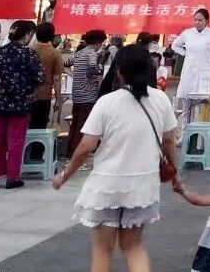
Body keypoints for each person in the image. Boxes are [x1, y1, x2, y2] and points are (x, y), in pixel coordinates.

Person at [54, 44, 179, 272]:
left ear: (119, 71)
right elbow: (169, 140)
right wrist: (175, 173)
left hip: (107, 184)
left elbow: (86, 147)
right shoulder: (160, 100)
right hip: (142, 186)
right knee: (133, 248)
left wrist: (64, 175)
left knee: (103, 250)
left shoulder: (107, 102)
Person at [0, 20, 45, 189]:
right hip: (20, 103)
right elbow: (39, 78)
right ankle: (12, 177)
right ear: (27, 34)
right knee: (16, 140)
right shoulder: (29, 54)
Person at [172, 9, 210, 126]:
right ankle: (185, 132)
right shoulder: (187, 33)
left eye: (200, 20)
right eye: (195, 20)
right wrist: (186, 54)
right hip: (189, 71)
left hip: (206, 72)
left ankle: (203, 132)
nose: (197, 22)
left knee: (206, 105)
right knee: (186, 106)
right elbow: (175, 45)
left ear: (207, 21)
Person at [67, 29, 107, 158]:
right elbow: (91, 71)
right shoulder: (92, 53)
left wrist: (74, 76)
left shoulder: (79, 53)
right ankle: (78, 152)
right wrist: (98, 79)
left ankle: (70, 149)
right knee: (85, 124)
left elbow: (65, 65)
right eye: (101, 42)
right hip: (89, 93)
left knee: (76, 122)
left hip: (77, 94)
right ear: (97, 42)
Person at [29, 22, 65, 129]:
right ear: (52, 35)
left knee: (25, 127)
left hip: (26, 94)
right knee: (40, 126)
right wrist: (58, 99)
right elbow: (56, 78)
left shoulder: (28, 50)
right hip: (44, 96)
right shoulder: (55, 53)